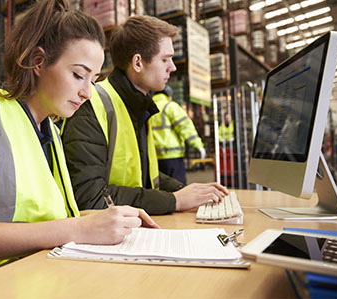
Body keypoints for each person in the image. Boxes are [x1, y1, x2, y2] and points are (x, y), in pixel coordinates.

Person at [0, 0, 158, 288]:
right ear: (38, 62)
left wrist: (106, 218)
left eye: (93, 80)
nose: (87, 93)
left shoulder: (50, 132)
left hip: (26, 278)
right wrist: (78, 227)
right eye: (78, 75)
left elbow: (44, 219)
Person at [62, 15, 228, 215]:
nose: (173, 67)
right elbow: (90, 196)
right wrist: (173, 200)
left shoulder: (139, 107)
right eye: (165, 59)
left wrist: (184, 191)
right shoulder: (91, 106)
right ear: (138, 62)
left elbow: (145, 177)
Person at [151, 85, 206, 185]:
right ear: (168, 95)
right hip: (173, 156)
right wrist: (198, 145)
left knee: (161, 188)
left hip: (154, 158)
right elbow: (185, 127)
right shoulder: (170, 106)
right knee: (178, 187)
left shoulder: (148, 108)